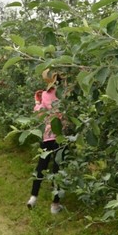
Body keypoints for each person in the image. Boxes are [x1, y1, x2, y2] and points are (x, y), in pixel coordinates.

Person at [26, 69, 66, 213]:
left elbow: (39, 114)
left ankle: (33, 197)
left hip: (47, 135)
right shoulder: (63, 93)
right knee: (57, 169)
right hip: (61, 136)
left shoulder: (44, 94)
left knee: (41, 166)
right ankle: (55, 205)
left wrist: (37, 102)